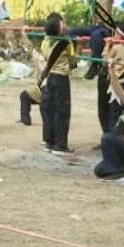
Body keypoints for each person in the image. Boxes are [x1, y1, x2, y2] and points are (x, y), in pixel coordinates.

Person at [59, 0, 123, 80]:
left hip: (106, 28)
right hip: (94, 26)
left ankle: (95, 65)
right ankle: (72, 60)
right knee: (71, 32)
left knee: (96, 35)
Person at [40, 13, 75, 155]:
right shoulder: (66, 42)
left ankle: (49, 141)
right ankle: (60, 145)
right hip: (61, 78)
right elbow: (72, 60)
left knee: (50, 109)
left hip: (49, 78)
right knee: (62, 111)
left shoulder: (45, 41)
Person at [97, 22, 124, 136]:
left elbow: (104, 61)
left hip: (117, 84)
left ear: (119, 35)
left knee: (113, 112)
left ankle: (112, 138)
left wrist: (107, 45)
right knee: (122, 112)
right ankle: (120, 135)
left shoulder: (116, 47)